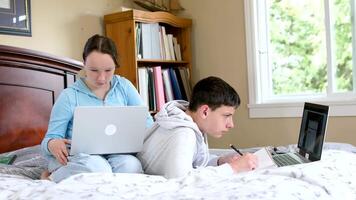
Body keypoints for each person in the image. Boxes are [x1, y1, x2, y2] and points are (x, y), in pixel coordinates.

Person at [40, 34, 153, 182]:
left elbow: (148, 124)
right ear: (84, 64)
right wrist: (51, 143)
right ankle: (50, 177)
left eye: (108, 70)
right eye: (94, 70)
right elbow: (49, 139)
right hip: (81, 158)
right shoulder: (69, 96)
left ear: (116, 66)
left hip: (117, 154)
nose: (101, 78)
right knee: (98, 168)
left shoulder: (124, 87)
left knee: (131, 166)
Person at [137, 76, 257, 178]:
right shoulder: (184, 134)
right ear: (205, 111)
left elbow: (195, 161)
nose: (231, 124)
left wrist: (220, 161)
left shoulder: (186, 122)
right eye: (226, 116)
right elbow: (182, 179)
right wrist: (233, 168)